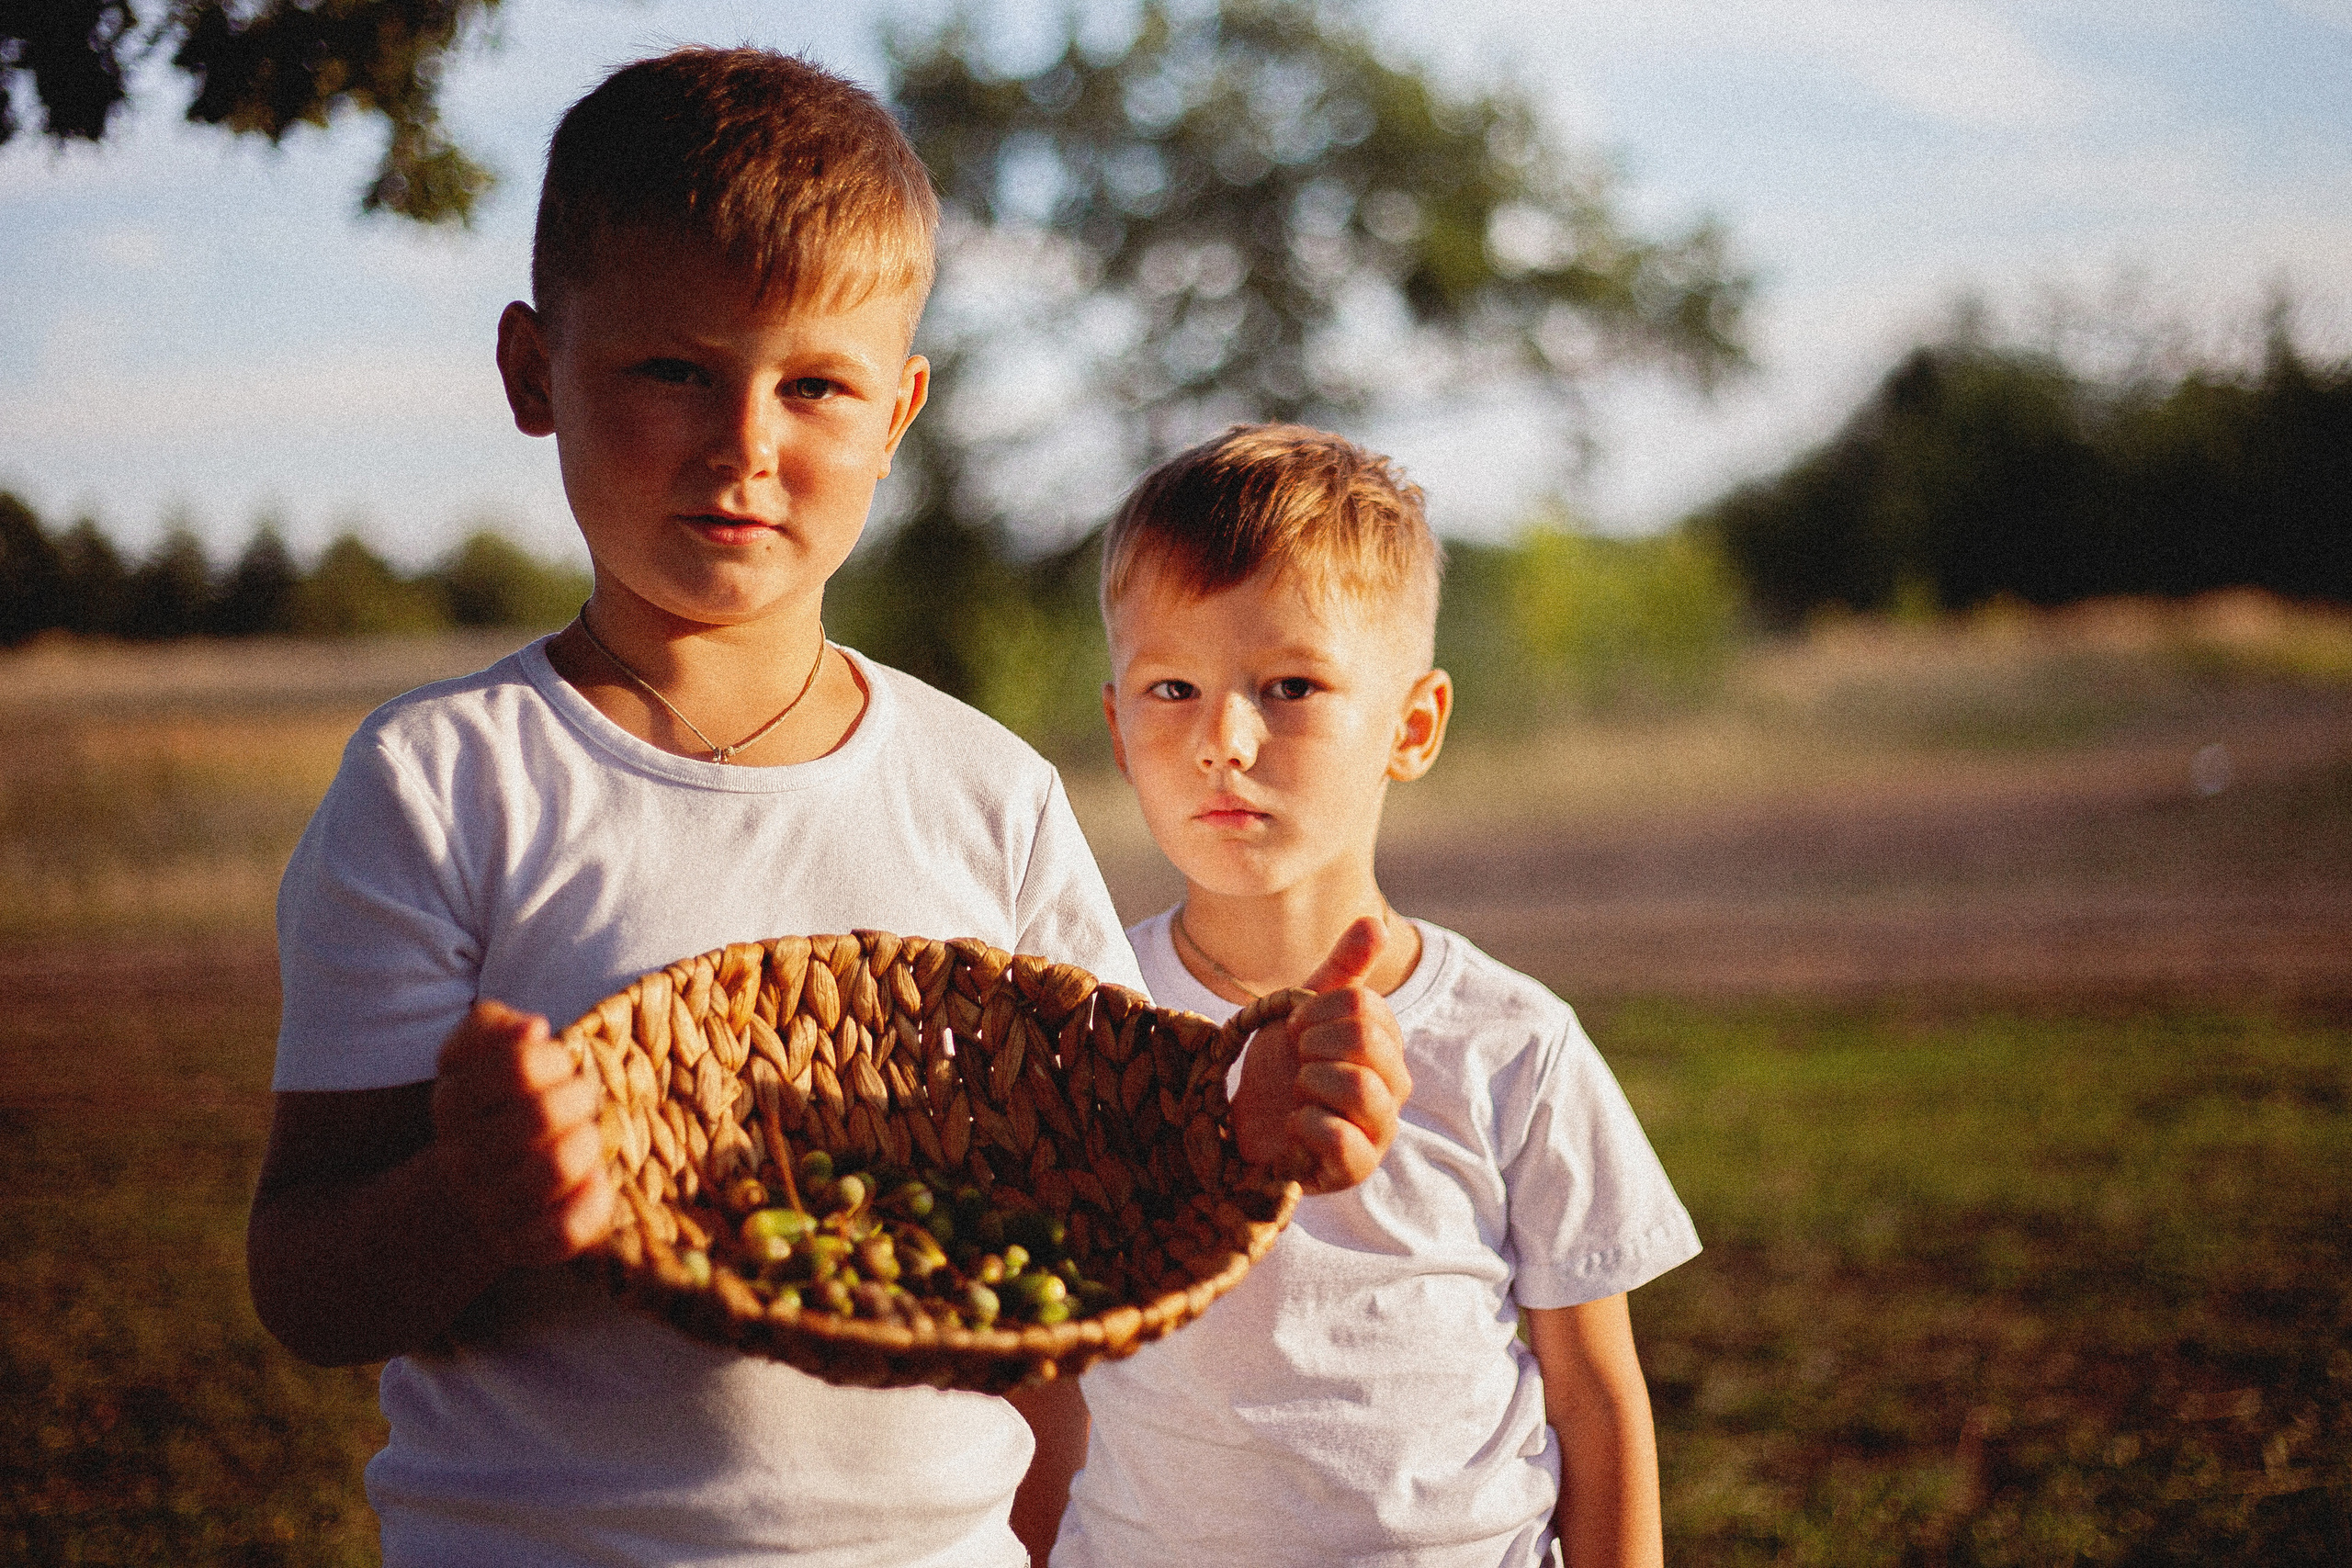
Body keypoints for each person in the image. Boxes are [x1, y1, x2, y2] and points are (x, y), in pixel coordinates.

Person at [244, 53, 1408, 1568]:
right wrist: (472, 1197)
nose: (744, 445)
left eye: (815, 383)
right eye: (672, 370)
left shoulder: (987, 794)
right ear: (534, 371)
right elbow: (308, 1283)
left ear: (898, 409)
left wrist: (1236, 1130)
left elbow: (1093, 1235)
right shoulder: (443, 783)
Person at [1054, 425, 1702, 1568]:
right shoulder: (1083, 1029)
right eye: (1172, 686)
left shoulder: (1513, 1044)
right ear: (1117, 725)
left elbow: (1596, 1406)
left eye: (1290, 685)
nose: (1224, 739)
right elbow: (1040, 1395)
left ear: (1412, 726)